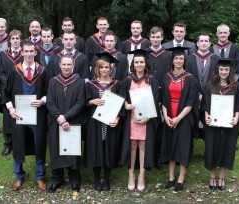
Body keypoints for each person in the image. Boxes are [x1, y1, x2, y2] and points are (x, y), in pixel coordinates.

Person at [3, 41, 48, 191]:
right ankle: (19, 176)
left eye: (31, 51)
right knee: (18, 144)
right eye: (26, 51)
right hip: (19, 115)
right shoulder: (15, 70)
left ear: (36, 53)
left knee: (39, 143)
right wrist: (10, 109)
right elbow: (6, 93)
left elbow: (50, 92)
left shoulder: (42, 71)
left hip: (38, 114)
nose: (29, 54)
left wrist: (42, 101)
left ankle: (40, 176)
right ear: (21, 53)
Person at [202, 58, 239, 190]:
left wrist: (237, 117)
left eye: (226, 69)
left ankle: (221, 178)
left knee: (226, 149)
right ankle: (212, 178)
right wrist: (206, 115)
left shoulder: (236, 86)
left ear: (230, 71)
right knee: (212, 149)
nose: (223, 72)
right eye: (221, 69)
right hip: (213, 124)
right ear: (217, 70)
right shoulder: (210, 86)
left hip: (229, 124)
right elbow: (204, 104)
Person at [160, 47, 199, 192]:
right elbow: (163, 99)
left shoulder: (190, 79)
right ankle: (171, 177)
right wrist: (166, 116)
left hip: (184, 118)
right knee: (170, 146)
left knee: (182, 148)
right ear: (172, 60)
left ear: (184, 61)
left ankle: (181, 178)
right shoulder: (166, 77)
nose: (178, 61)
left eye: (181, 59)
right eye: (176, 58)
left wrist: (178, 118)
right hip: (169, 116)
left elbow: (191, 102)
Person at [120, 49, 159, 191]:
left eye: (141, 62)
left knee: (143, 145)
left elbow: (156, 100)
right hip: (131, 118)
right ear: (133, 64)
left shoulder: (152, 80)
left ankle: (142, 174)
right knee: (132, 145)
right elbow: (122, 97)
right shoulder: (127, 80)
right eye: (136, 62)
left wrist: (148, 117)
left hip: (146, 118)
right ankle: (131, 175)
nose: (139, 64)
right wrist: (125, 104)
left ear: (145, 63)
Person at [85, 52, 124, 191]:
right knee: (96, 149)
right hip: (95, 123)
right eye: (101, 67)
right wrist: (91, 101)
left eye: (107, 67)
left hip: (110, 123)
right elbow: (83, 103)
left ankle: (106, 180)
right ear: (97, 68)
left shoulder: (117, 84)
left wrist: (118, 119)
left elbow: (121, 104)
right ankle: (96, 180)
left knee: (109, 150)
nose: (104, 70)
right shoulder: (90, 85)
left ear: (111, 68)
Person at [46, 55, 85, 193]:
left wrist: (66, 117)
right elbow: (49, 102)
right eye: (64, 64)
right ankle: (57, 178)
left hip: (73, 121)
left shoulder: (79, 82)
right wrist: (59, 117)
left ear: (73, 65)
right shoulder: (53, 81)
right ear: (60, 65)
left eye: (69, 65)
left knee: (73, 151)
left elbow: (80, 103)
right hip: (55, 121)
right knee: (56, 149)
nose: (66, 67)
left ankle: (74, 179)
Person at [186, 33, 219, 139]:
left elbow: (218, 79)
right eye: (201, 41)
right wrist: (198, 94)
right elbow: (188, 79)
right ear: (197, 43)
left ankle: (209, 150)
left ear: (210, 43)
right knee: (192, 122)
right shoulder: (189, 59)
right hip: (193, 96)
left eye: (206, 41)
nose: (204, 43)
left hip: (212, 95)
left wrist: (206, 94)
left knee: (209, 123)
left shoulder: (216, 59)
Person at [0, 30, 23, 156]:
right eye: (13, 38)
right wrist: (9, 85)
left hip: (22, 90)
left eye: (18, 38)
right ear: (10, 40)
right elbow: (1, 73)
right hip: (7, 90)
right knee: (8, 118)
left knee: (21, 116)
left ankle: (21, 142)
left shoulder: (25, 54)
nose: (16, 40)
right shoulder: (3, 55)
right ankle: (8, 145)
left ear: (20, 40)